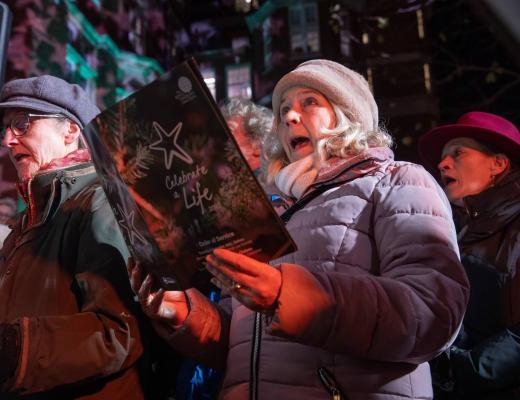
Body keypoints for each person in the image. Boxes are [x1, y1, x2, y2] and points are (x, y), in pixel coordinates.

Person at [131, 59, 469, 399]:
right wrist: (183, 312)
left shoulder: (398, 181)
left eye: (310, 102)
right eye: (283, 111)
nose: (291, 117)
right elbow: (243, 346)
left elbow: (433, 312)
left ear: (346, 113)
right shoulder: (270, 212)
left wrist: (287, 295)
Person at [0, 75, 156, 399]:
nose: (7, 140)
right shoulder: (21, 226)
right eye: (4, 129)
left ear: (71, 131)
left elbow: (120, 331)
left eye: (22, 123)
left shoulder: (100, 202)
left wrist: (17, 350)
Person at [418, 111, 520, 399]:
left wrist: (464, 367)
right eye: (442, 157)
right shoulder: (456, 233)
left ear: (498, 164)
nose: (442, 163)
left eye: (458, 153)